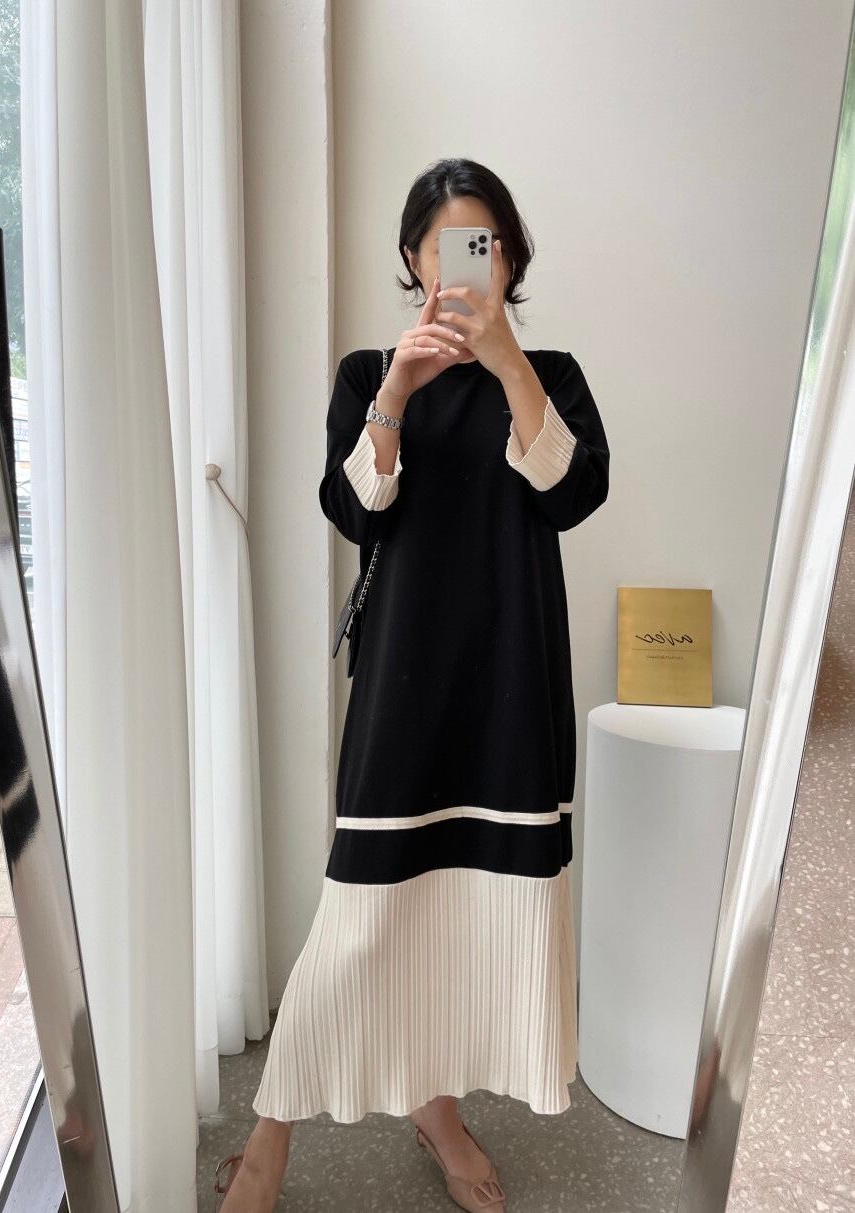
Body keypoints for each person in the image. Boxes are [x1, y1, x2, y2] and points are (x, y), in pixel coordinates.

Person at [215, 157, 610, 1212]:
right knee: (360, 921)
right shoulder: (365, 373)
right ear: (412, 259)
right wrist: (395, 391)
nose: (467, 265)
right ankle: (269, 1136)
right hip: (401, 687)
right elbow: (356, 508)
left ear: (510, 258)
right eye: (446, 247)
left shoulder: (552, 374)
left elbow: (572, 492)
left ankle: (437, 1112)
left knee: (461, 924)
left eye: (485, 244)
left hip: (511, 687)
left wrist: (508, 365)